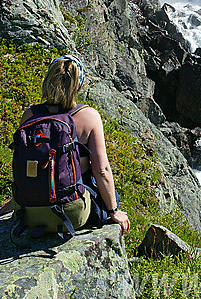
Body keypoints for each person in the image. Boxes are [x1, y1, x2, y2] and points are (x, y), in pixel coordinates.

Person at [15, 55, 130, 236]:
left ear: (47, 80)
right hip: (71, 214)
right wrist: (114, 211)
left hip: (28, 213)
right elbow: (102, 170)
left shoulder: (29, 115)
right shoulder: (89, 117)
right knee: (110, 194)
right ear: (80, 86)